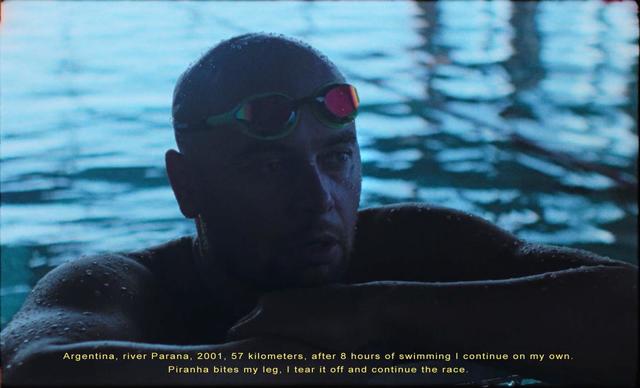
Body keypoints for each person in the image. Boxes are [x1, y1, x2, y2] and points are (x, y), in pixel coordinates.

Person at [1, 33, 637, 386]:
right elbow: (39, 374)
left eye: (336, 159)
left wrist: (371, 310)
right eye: (270, 167)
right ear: (186, 185)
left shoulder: (417, 249)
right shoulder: (125, 289)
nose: (319, 199)